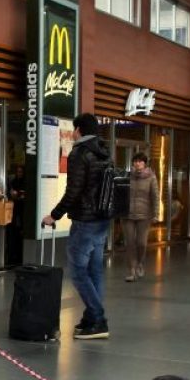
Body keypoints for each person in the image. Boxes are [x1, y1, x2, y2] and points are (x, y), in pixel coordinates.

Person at [41, 113, 112, 340]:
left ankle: (98, 319)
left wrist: (54, 215)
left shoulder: (80, 153)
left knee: (78, 272)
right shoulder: (104, 152)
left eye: (74, 129)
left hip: (85, 221)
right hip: (102, 219)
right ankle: (91, 317)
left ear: (79, 130)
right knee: (95, 271)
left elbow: (74, 191)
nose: (72, 133)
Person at [121, 152, 159, 282]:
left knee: (141, 243)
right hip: (128, 215)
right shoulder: (128, 176)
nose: (137, 163)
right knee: (130, 243)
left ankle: (140, 263)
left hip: (144, 215)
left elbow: (155, 197)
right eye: (135, 161)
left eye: (140, 161)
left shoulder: (151, 177)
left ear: (145, 163)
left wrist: (156, 214)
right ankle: (132, 270)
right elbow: (121, 193)